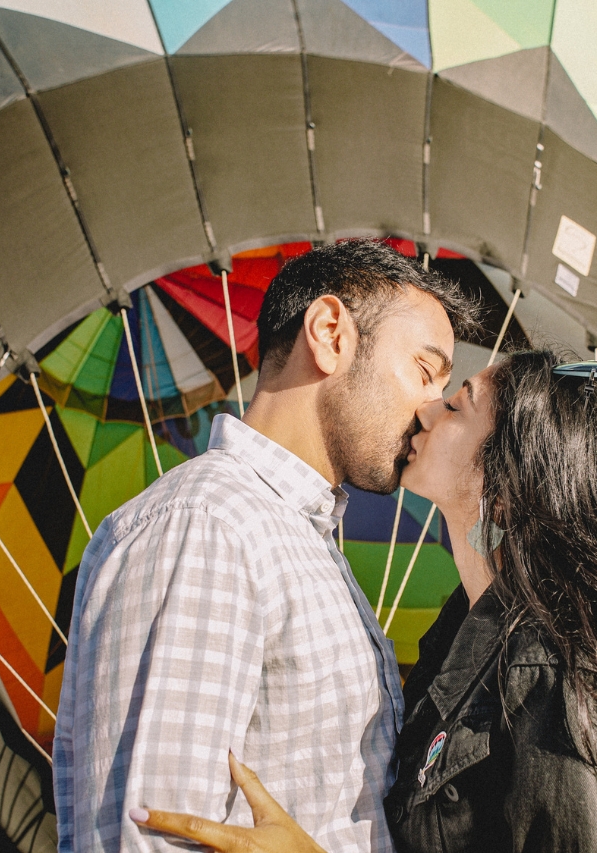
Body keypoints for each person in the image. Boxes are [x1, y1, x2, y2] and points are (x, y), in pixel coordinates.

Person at [133, 350, 597, 853]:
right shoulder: (465, 636)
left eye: (456, 405)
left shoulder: (552, 675)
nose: (426, 407)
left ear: (513, 478)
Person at [53, 240, 481, 852]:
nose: (431, 410)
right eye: (422, 370)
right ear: (330, 333)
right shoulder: (208, 526)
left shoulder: (296, 539)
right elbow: (149, 835)